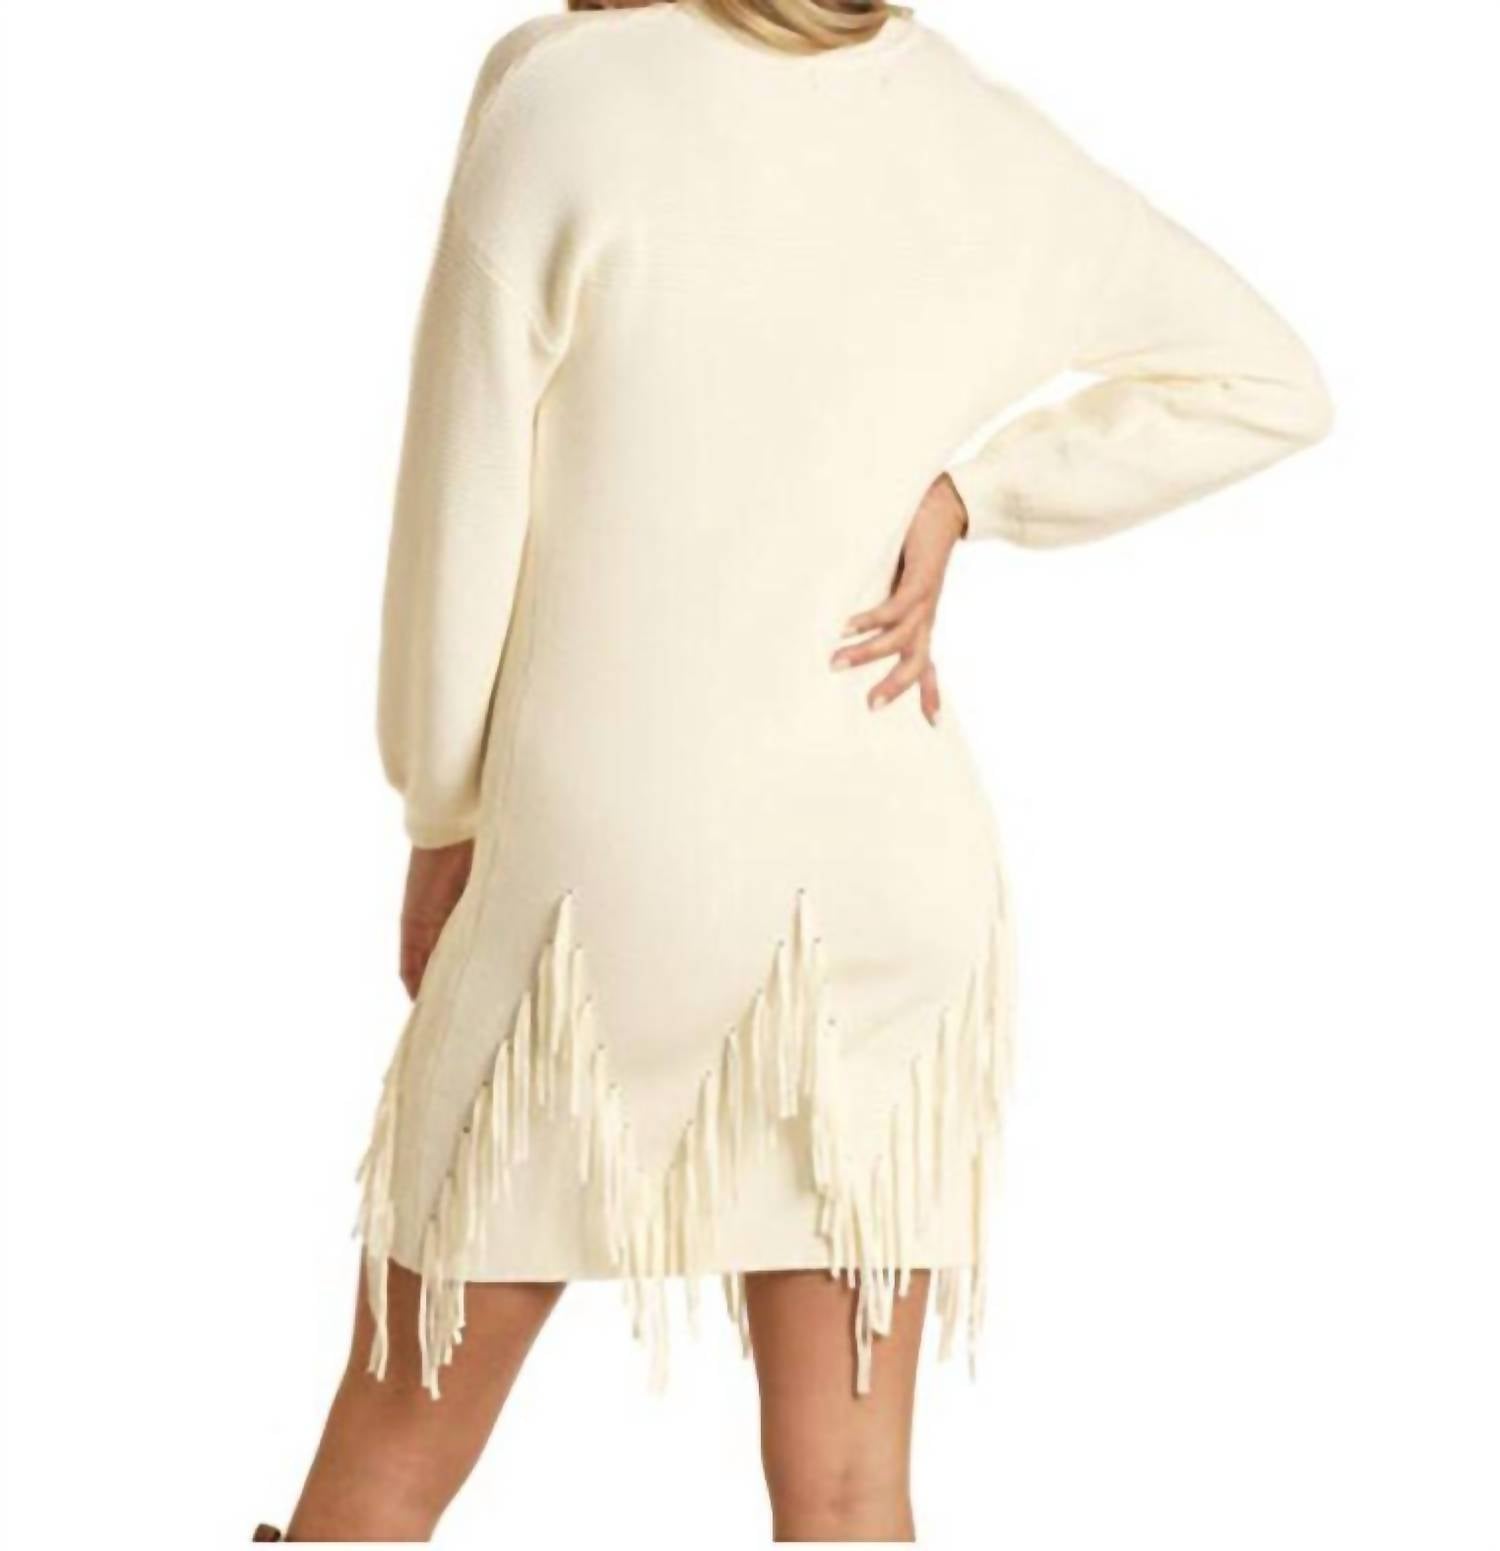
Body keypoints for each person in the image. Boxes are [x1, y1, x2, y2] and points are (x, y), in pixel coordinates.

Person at [256, 0, 1333, 1539]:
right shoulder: (967, 122)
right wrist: (976, 491)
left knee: (387, 1462)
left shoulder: (563, 100)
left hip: (598, 894)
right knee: (846, 1490)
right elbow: (1266, 377)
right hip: (881, 884)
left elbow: (459, 516)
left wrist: (442, 807)